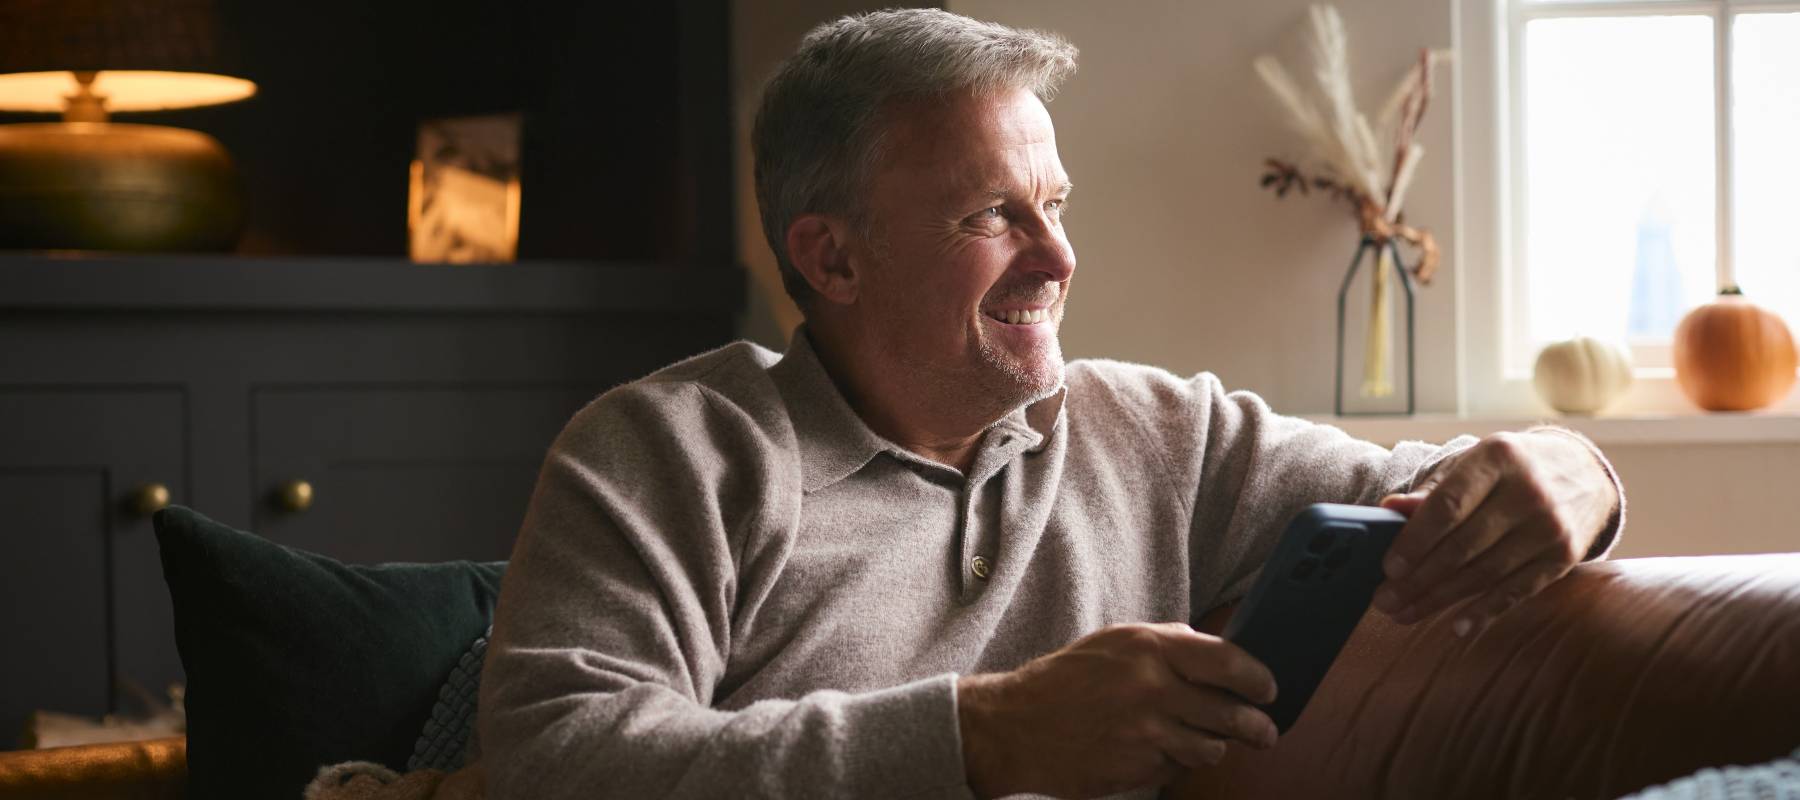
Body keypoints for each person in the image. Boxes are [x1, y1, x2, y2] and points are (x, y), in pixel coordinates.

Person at [478, 9, 1623, 800]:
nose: (1059, 257)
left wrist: (1571, 470)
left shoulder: (1163, 437)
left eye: (1056, 204)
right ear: (831, 258)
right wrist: (984, 734)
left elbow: (1425, 489)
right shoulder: (669, 451)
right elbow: (558, 761)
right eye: (993, 217)